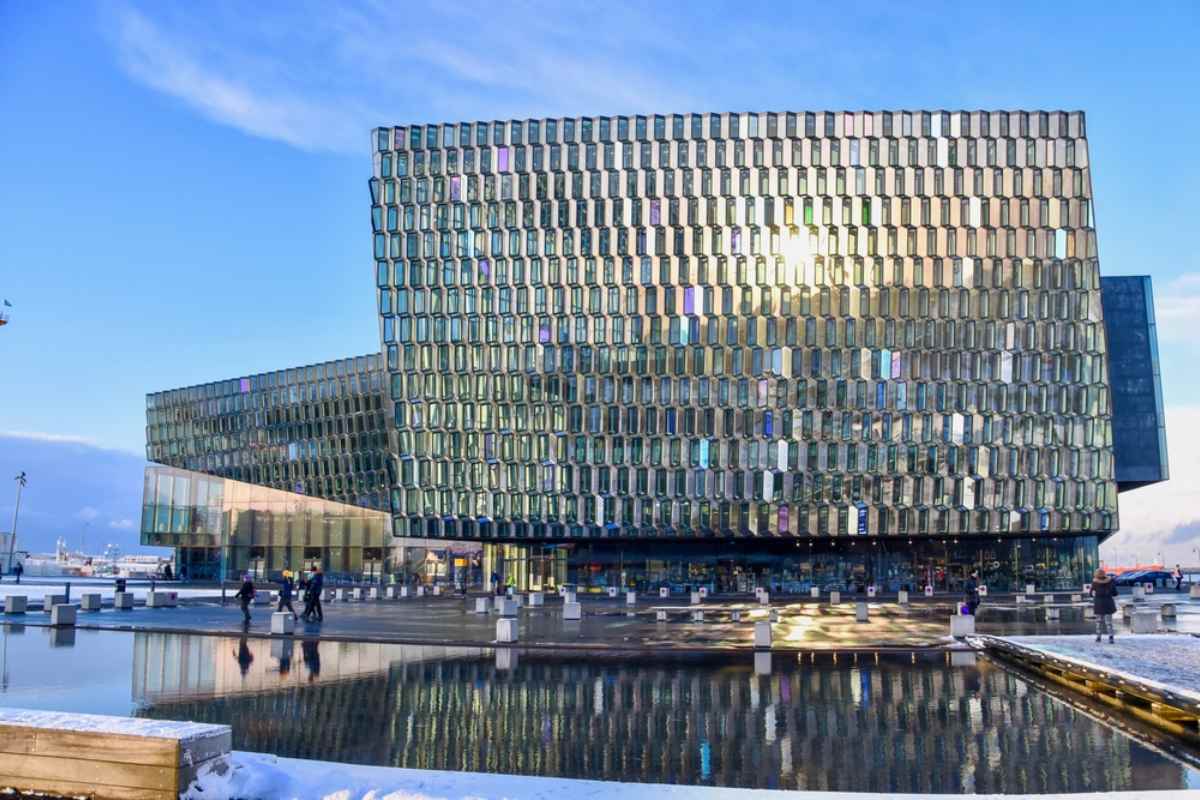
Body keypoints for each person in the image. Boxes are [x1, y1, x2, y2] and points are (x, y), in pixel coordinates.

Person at [1091, 568, 1118, 643]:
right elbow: (1115, 593)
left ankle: (1098, 637)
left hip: (1099, 604)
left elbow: (1091, 593)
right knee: (1109, 622)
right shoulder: (1110, 581)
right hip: (1108, 604)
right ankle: (1111, 637)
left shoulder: (1095, 582)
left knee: (1099, 622)